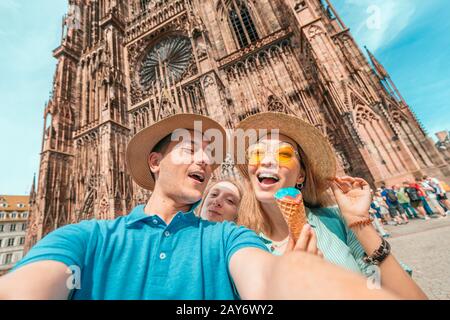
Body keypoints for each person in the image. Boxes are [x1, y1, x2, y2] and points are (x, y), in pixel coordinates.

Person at [0, 114, 399, 300]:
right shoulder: (88, 239)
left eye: (211, 153)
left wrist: (300, 274)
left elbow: (268, 284)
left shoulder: (230, 238)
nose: (205, 160)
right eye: (191, 148)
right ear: (154, 163)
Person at [233, 112, 426, 300]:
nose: (266, 160)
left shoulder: (335, 223)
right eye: (256, 153)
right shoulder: (239, 243)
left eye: (283, 153)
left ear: (301, 175)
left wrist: (359, 222)